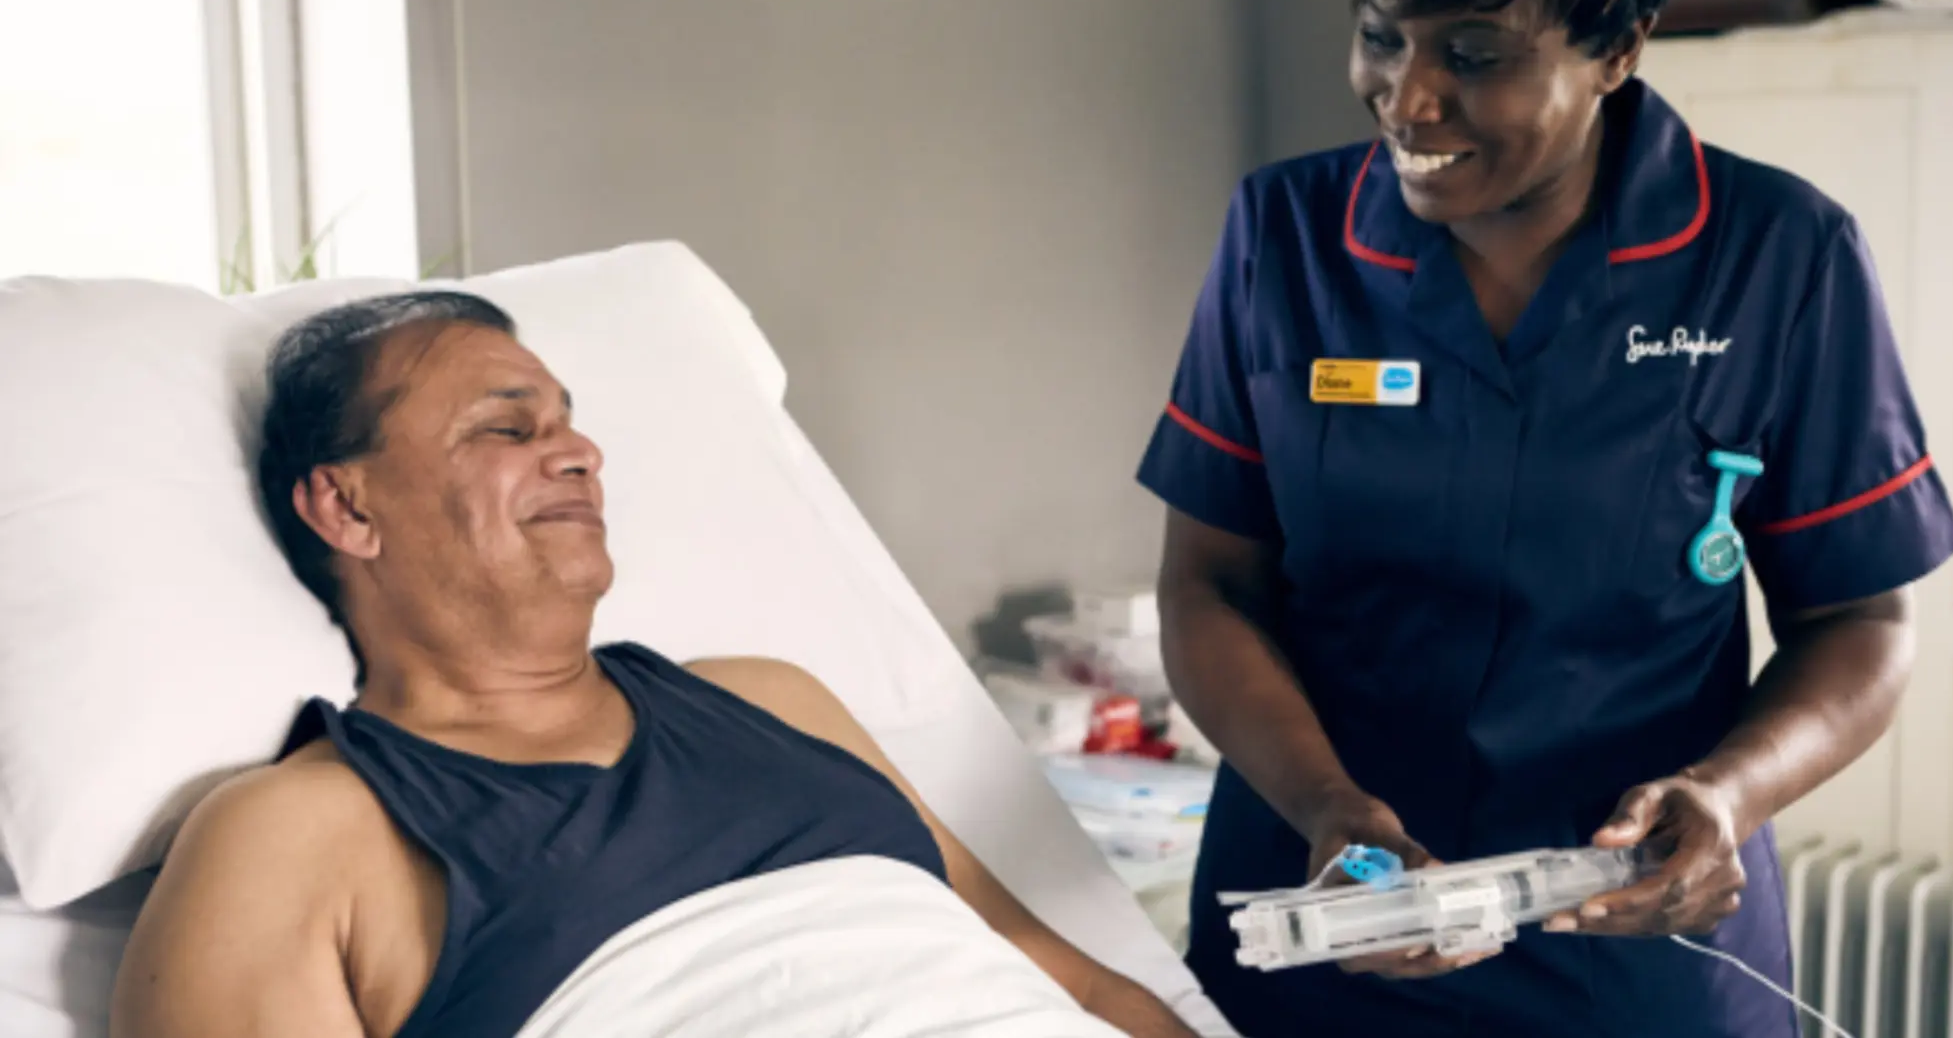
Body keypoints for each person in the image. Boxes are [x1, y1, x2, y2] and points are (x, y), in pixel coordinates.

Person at [1138, 0, 1953, 1035]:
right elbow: (1207, 586)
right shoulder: (1281, 236)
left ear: (1618, 47)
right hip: (1335, 920)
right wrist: (1323, 804)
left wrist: (1729, 794)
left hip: (1631, 941)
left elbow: (1862, 619)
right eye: (1381, 33)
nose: (1408, 97)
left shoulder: (1778, 256)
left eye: (1474, 54)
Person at [111, 292, 1198, 1038]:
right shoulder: (293, 835)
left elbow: (1073, 977)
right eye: (504, 430)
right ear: (347, 506)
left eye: (568, 423)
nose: (577, 451)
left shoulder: (771, 700)